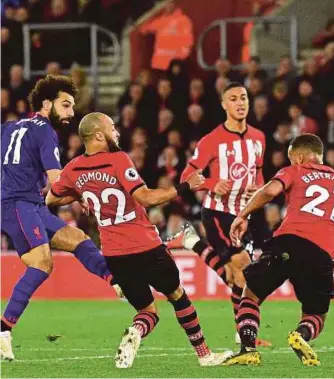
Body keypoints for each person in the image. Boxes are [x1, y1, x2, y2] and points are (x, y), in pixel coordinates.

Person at [46, 112, 232, 369]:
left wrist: (83, 195)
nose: (117, 132)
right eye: (112, 128)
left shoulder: (73, 168)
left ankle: (136, 331)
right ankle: (204, 354)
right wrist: (185, 187)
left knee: (147, 312)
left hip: (114, 254)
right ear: (99, 135)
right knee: (178, 296)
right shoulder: (118, 159)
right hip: (145, 245)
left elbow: (51, 200)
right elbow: (145, 197)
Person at [223, 134, 334, 366]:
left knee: (251, 294)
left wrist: (243, 214)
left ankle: (247, 349)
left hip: (286, 243)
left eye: (291, 160)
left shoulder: (295, 171)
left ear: (298, 157)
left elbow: (269, 192)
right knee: (316, 313)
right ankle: (301, 335)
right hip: (321, 255)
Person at [0, 76, 120, 362]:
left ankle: (118, 281)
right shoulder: (45, 132)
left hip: (30, 203)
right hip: (18, 204)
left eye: (72, 107)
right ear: (45, 104)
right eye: (65, 105)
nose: (70, 113)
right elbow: (58, 181)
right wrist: (87, 197)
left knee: (78, 239)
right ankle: (3, 330)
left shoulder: (10, 127)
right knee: (42, 263)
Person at [180, 82, 271, 347]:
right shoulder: (211, 141)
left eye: (243, 97)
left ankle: (195, 244)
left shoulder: (259, 138)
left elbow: (261, 171)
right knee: (244, 266)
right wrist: (210, 183)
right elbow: (187, 175)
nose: (240, 103)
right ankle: (246, 337)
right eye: (233, 99)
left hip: (246, 215)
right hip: (218, 213)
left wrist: (260, 187)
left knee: (236, 277)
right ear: (224, 105)